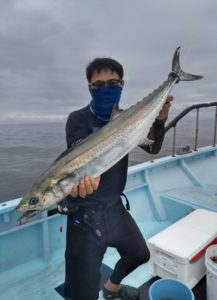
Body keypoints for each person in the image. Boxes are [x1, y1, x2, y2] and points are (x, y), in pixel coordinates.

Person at [58, 57, 173, 300]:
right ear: (89, 87)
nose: (105, 88)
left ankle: (111, 288)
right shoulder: (78, 119)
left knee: (139, 254)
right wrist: (82, 179)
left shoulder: (129, 118)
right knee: (83, 292)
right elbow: (78, 151)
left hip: (114, 208)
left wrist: (159, 119)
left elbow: (152, 148)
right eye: (98, 85)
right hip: (84, 215)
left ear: (122, 84)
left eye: (112, 82)